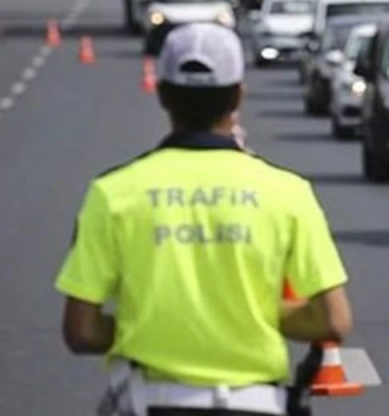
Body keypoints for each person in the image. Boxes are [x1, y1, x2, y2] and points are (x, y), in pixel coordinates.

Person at [54, 23, 354, 416]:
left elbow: (81, 331)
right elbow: (333, 321)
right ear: (239, 96)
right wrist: (249, 314)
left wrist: (151, 324)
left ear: (162, 94)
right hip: (257, 404)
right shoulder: (288, 192)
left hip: (150, 402)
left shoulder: (113, 194)